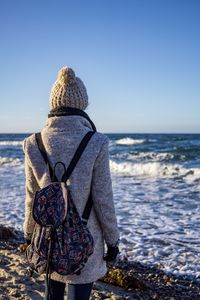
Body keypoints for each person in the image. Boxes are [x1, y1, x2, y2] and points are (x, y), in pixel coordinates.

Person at [23, 66, 120, 300]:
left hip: (47, 237)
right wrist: (113, 242)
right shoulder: (96, 142)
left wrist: (28, 236)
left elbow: (31, 197)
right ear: (82, 103)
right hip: (85, 240)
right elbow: (103, 198)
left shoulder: (33, 143)